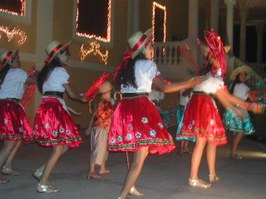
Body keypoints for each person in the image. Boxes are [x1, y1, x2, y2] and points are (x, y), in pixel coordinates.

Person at [107, 28, 206, 199]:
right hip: (140, 108)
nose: (152, 49)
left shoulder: (125, 68)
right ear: (143, 48)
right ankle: (122, 195)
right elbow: (165, 87)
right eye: (150, 46)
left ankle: (131, 186)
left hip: (125, 108)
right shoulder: (148, 65)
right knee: (140, 156)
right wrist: (191, 82)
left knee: (140, 151)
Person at [177, 30, 263, 189]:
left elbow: (224, 97)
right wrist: (248, 106)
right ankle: (193, 177)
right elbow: (227, 97)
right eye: (221, 55)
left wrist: (234, 109)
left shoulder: (208, 74)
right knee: (202, 143)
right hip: (204, 105)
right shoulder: (213, 74)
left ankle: (210, 173)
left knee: (210, 142)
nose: (223, 58)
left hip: (202, 103)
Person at [32, 40, 84, 193]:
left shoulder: (47, 72)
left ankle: (41, 171)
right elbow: (71, 94)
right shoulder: (60, 71)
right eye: (65, 54)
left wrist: (69, 109)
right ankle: (43, 183)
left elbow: (53, 95)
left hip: (49, 107)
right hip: (54, 109)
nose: (68, 56)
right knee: (59, 147)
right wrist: (83, 97)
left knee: (65, 145)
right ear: (57, 56)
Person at [0, 50, 36, 183]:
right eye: (16, 59)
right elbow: (32, 80)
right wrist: (40, 74)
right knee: (10, 142)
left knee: (17, 138)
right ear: (9, 62)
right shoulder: (18, 73)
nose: (19, 61)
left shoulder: (4, 74)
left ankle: (7, 166)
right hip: (10, 106)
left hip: (4, 105)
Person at [84, 73, 114, 179]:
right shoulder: (106, 104)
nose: (111, 93)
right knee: (98, 150)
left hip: (100, 129)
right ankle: (91, 171)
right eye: (110, 91)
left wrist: (88, 127)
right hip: (102, 129)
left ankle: (102, 168)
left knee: (104, 149)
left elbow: (93, 116)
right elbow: (111, 116)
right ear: (106, 93)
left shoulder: (100, 103)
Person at [223, 66, 255, 160]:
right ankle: (233, 152)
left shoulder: (234, 86)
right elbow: (252, 98)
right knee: (241, 132)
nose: (243, 76)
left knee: (237, 132)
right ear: (238, 76)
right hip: (239, 110)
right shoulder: (244, 87)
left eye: (244, 75)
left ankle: (233, 151)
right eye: (241, 75)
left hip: (233, 109)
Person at [175, 88, 193, 154]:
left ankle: (185, 148)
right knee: (182, 128)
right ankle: (181, 148)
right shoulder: (183, 89)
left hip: (189, 110)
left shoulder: (192, 91)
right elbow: (184, 95)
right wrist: (189, 89)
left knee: (188, 129)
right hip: (182, 110)